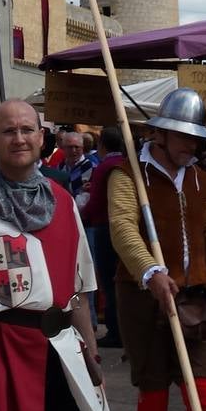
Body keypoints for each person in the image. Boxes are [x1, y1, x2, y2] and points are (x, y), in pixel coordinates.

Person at [0, 99, 111, 411]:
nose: (19, 138)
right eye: (8, 131)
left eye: (27, 130)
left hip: (64, 354)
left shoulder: (62, 201)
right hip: (1, 354)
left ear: (41, 138)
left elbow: (77, 293)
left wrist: (92, 358)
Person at [108, 88, 206, 411]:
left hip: (193, 300)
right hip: (143, 297)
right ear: (160, 133)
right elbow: (122, 227)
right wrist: (150, 270)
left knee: (202, 393)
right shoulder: (129, 175)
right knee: (154, 391)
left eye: (196, 138)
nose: (192, 145)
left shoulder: (202, 178)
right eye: (183, 137)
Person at [81, 128, 126, 349]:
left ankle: (115, 330)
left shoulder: (104, 167)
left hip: (104, 227)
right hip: (123, 227)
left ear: (102, 145)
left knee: (108, 281)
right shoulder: (127, 163)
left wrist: (81, 215)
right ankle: (123, 328)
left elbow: (96, 202)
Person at [60, 130, 97, 205]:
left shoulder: (92, 168)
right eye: (70, 147)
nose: (73, 150)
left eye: (77, 147)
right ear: (63, 148)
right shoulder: (60, 167)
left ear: (82, 148)